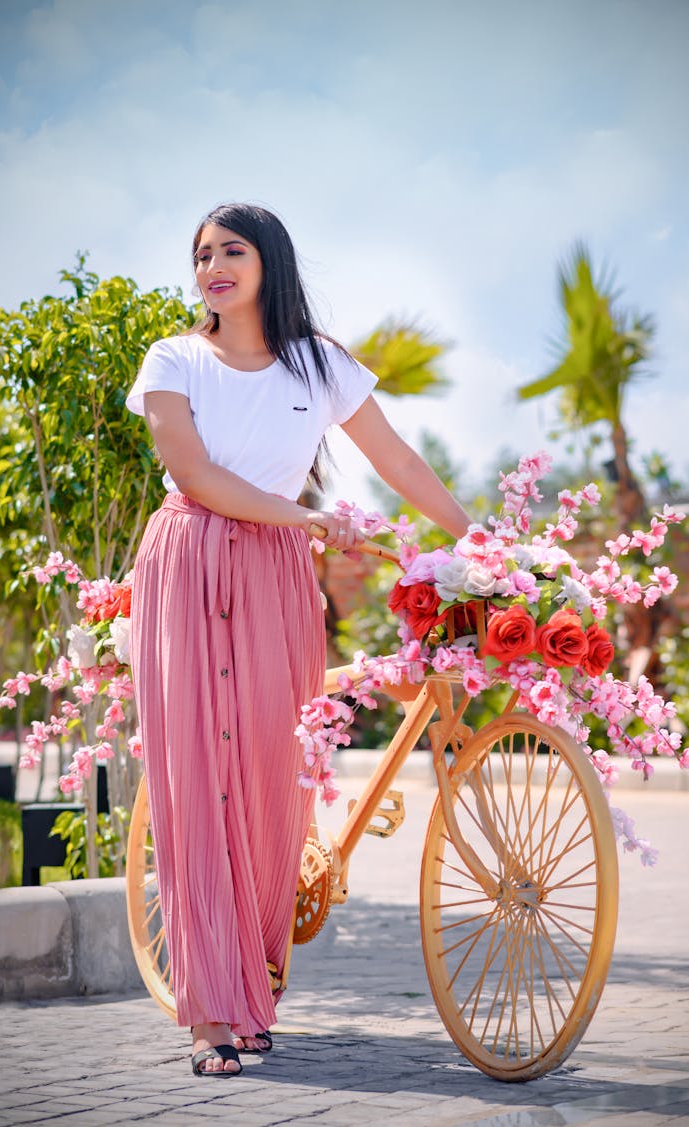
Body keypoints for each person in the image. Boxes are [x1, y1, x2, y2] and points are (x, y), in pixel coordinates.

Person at [126, 203, 471, 1077]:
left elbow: (397, 460)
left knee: (277, 773)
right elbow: (195, 474)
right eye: (201, 253)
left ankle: (254, 986)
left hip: (279, 575)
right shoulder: (173, 359)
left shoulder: (320, 363)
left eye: (231, 250)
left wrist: (474, 539)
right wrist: (309, 516)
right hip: (192, 562)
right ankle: (211, 1014)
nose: (213, 265)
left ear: (268, 260)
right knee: (200, 778)